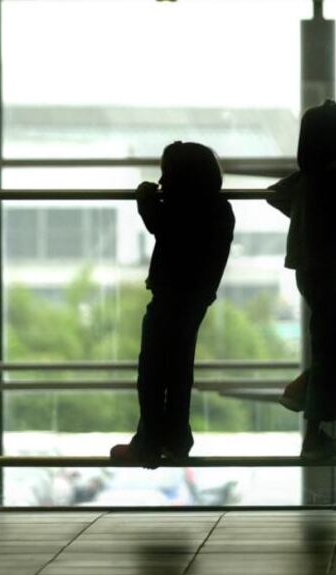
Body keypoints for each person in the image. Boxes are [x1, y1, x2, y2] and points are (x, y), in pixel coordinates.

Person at [111, 141, 235, 468]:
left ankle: (149, 442)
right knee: (178, 371)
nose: (162, 182)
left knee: (153, 372)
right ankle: (176, 438)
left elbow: (159, 224)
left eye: (167, 175)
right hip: (194, 302)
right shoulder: (220, 210)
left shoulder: (183, 212)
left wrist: (144, 197)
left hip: (168, 299)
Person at [269, 100, 336, 460]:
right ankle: (313, 428)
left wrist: (306, 215)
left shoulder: (308, 179)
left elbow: (276, 195)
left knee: (332, 349)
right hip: (331, 275)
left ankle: (310, 409)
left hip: (310, 273)